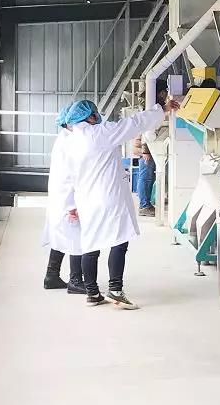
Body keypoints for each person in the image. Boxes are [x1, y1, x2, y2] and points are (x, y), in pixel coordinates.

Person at [66, 96, 180, 307]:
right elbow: (134, 123)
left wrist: (71, 204)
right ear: (90, 117)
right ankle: (115, 290)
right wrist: (162, 109)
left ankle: (92, 293)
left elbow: (69, 176)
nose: (98, 116)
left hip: (86, 199)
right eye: (95, 113)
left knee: (90, 244)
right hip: (108, 198)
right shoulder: (101, 133)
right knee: (120, 239)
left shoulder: (72, 141)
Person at [41, 103, 86, 294]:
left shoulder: (64, 138)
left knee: (59, 236)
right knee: (77, 238)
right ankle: (76, 280)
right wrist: (72, 205)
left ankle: (51, 276)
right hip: (68, 199)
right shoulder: (71, 142)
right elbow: (70, 176)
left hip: (60, 198)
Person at [136, 79, 169, 217]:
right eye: (165, 92)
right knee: (146, 177)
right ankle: (144, 206)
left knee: (149, 176)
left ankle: (146, 203)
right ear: (161, 93)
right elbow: (147, 129)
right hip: (147, 146)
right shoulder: (151, 106)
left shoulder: (153, 104)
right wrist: (145, 150)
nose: (166, 94)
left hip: (150, 144)